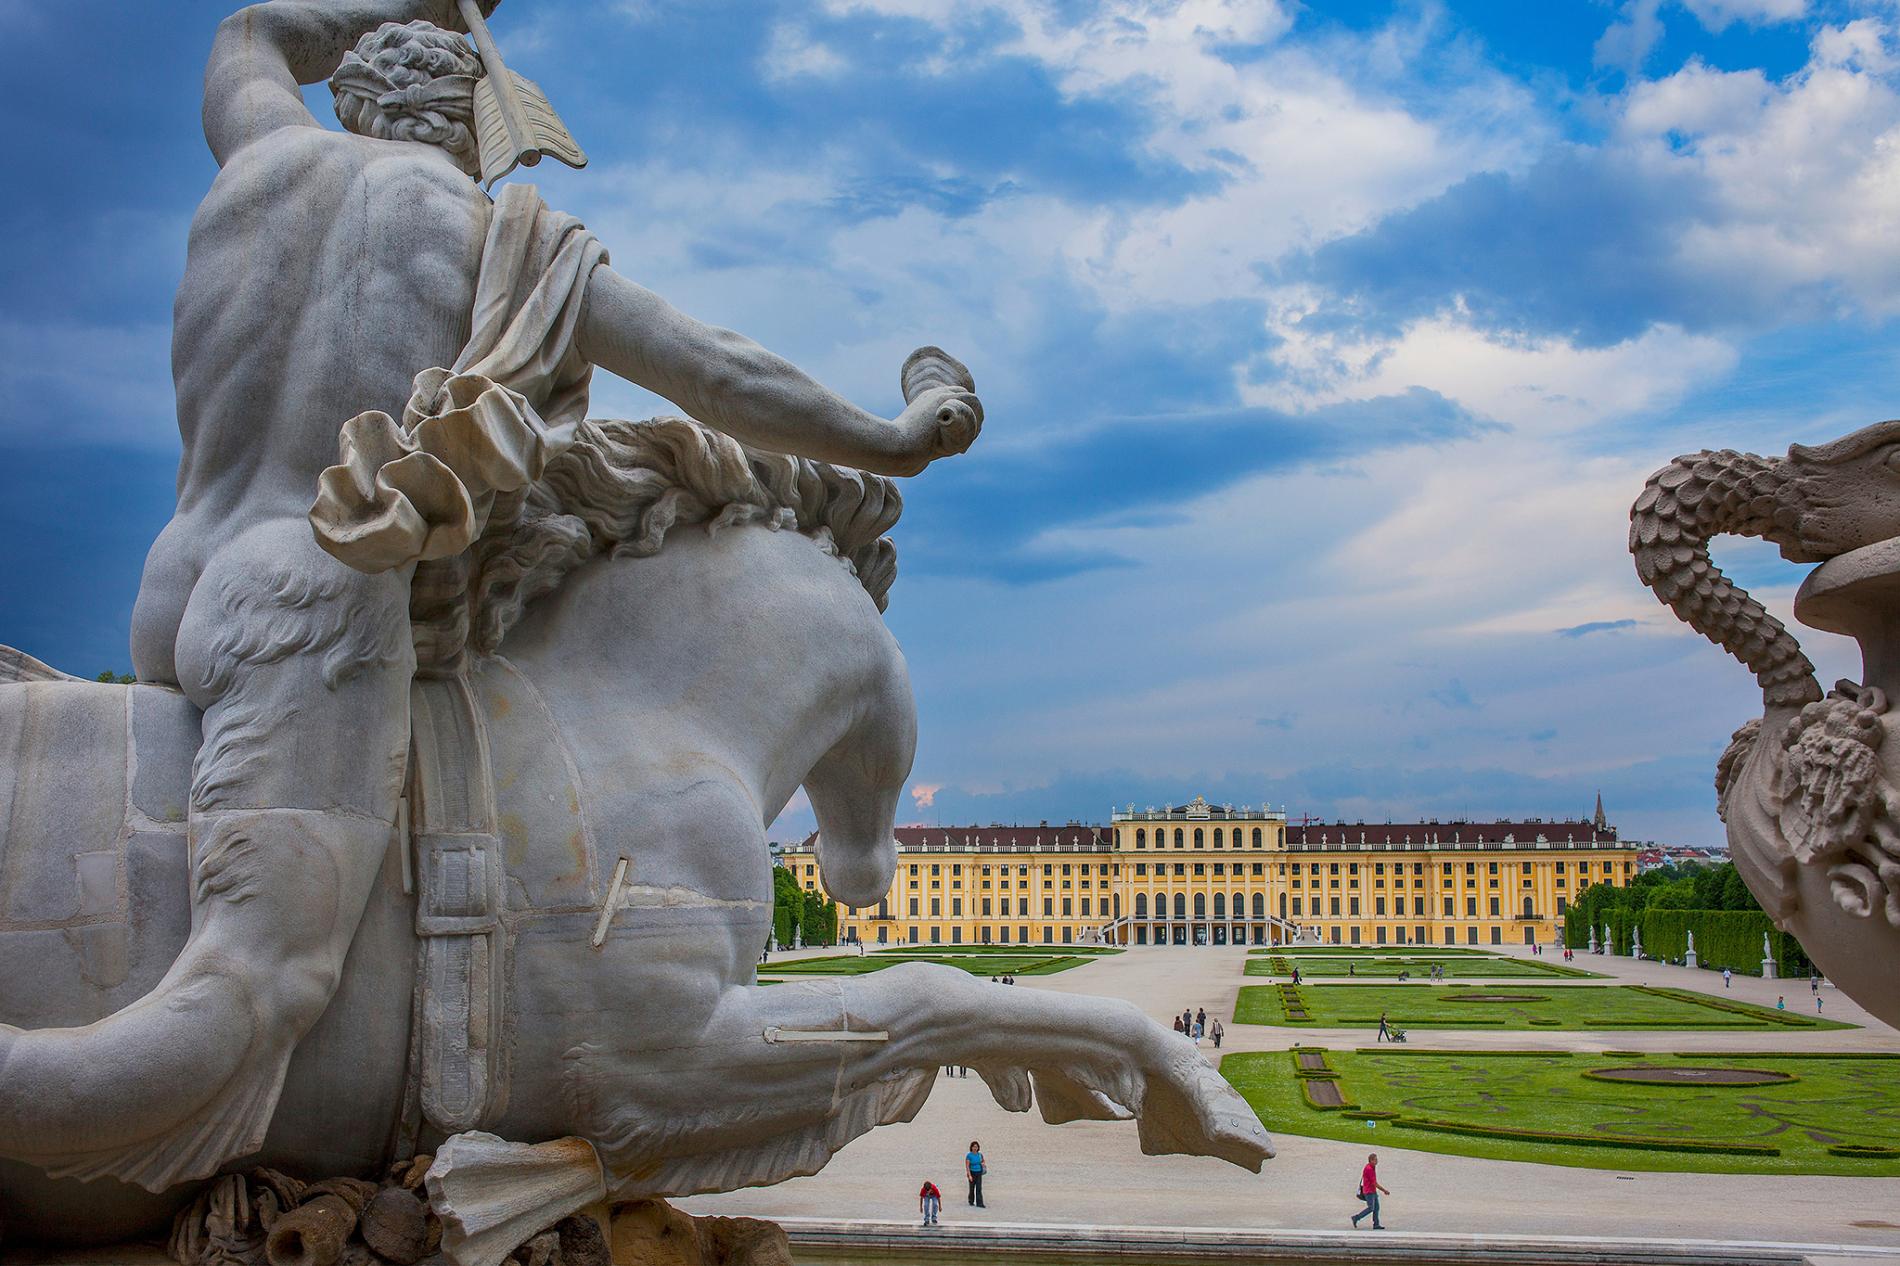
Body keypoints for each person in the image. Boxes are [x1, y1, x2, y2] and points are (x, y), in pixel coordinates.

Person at [0, 0, 983, 1191]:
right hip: (309, 602)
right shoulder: (492, 237)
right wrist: (889, 440)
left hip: (180, 584)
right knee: (253, 993)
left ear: (353, 94)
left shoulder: (260, 152)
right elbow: (722, 375)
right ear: (478, 128)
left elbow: (251, 32)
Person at [1351, 1152, 1389, 1230]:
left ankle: (1376, 1224)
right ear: (1371, 1160)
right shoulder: (1369, 1169)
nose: (1377, 1161)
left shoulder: (1371, 1167)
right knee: (1371, 1208)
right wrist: (1384, 1190)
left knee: (1376, 1208)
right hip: (1369, 1192)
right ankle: (1356, 1217)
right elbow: (1374, 1183)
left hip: (1372, 1191)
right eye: (1375, 1160)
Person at [965, 1141, 987, 1208]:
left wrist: (983, 1163)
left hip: (979, 1172)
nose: (975, 1148)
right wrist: (969, 1175)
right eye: (974, 1147)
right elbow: (967, 1166)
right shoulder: (969, 1155)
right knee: (971, 1188)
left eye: (976, 1147)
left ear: (978, 1148)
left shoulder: (980, 1155)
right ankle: (971, 1201)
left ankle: (980, 1203)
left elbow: (983, 1161)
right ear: (971, 1147)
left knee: (979, 1188)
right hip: (972, 1172)